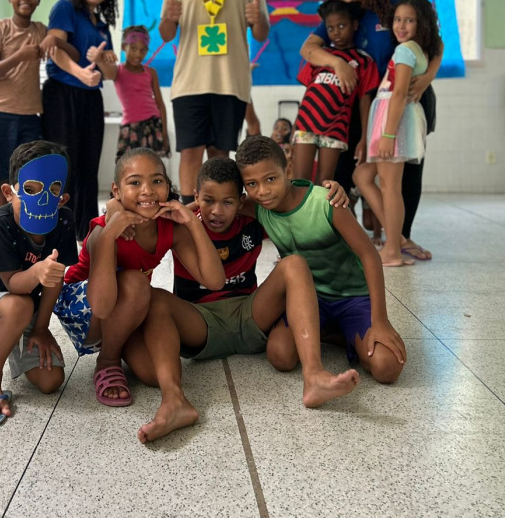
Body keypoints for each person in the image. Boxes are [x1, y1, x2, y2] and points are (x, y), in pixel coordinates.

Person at [124, 157, 360, 443]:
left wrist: (330, 193)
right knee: (157, 300)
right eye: (208, 201)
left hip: (251, 315)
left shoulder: (253, 218)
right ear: (196, 197)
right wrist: (116, 209)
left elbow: (292, 200)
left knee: (294, 264)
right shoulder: (180, 224)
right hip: (200, 321)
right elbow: (128, 208)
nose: (217, 211)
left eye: (228, 202)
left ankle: (315, 376)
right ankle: (174, 402)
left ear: (241, 201)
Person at [54, 148, 224, 407]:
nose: (147, 190)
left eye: (157, 181)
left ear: (168, 187)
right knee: (136, 282)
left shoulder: (170, 227)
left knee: (153, 374)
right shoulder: (103, 230)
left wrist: (192, 221)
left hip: (125, 307)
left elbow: (214, 281)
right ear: (116, 191)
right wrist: (111, 232)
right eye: (135, 182)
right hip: (84, 311)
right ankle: (108, 361)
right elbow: (100, 304)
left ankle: (121, 342)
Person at [300, 0, 443, 261]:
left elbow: (435, 38)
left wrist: (428, 76)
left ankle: (399, 239)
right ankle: (394, 238)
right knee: (355, 171)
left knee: (406, 176)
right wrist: (337, 62)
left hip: (407, 97)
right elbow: (308, 49)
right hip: (367, 103)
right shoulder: (346, 13)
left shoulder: (395, 4)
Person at [235, 135, 406, 386]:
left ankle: (348, 330)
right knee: (279, 355)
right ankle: (335, 333)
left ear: (288, 170)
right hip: (310, 301)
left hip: (354, 297)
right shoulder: (259, 206)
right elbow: (218, 201)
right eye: (251, 184)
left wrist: (380, 320)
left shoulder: (327, 201)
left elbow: (369, 255)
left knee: (387, 368)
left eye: (270, 178)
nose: (262, 191)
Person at [0, 140, 78, 426]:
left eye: (53, 190)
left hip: (23, 310)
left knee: (50, 381)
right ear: (10, 193)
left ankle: (12, 339)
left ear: (63, 198)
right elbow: (15, 286)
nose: (43, 199)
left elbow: (54, 281)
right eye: (31, 190)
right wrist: (38, 273)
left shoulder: (64, 221)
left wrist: (41, 329)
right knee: (18, 305)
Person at [158, 0, 269, 204]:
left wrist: (257, 18)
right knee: (191, 151)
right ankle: (187, 218)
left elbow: (261, 34)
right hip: (189, 82)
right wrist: (169, 17)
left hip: (230, 82)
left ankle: (217, 221)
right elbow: (167, 34)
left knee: (220, 154)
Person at [353, 0, 443, 267]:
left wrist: (388, 135)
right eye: (397, 19)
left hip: (393, 123)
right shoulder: (417, 48)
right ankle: (398, 239)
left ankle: (392, 251)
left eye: (409, 20)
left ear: (422, 23)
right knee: (362, 175)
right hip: (394, 120)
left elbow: (400, 92)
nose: (401, 25)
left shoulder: (406, 50)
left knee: (391, 188)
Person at [42, 0, 119, 241]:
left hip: (90, 100)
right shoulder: (65, 8)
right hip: (62, 95)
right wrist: (80, 73)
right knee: (65, 164)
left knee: (89, 165)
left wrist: (100, 61)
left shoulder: (101, 26)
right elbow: (54, 47)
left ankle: (85, 231)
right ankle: (57, 231)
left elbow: (110, 73)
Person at [0, 0, 53, 211]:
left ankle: (22, 235)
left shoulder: (41, 30)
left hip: (30, 116)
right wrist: (20, 56)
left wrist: (54, 38)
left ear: (38, 1)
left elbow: (60, 44)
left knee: (28, 179)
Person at [292, 0, 379, 183]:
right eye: (330, 28)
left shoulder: (363, 61)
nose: (336, 32)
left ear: (354, 25)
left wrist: (364, 138)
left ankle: (320, 214)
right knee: (299, 181)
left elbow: (365, 101)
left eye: (342, 25)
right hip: (306, 125)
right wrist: (295, 125)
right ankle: (300, 214)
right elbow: (309, 94)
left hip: (335, 128)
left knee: (325, 182)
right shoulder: (319, 56)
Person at [113, 25, 170, 158]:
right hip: (130, 128)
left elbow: (160, 104)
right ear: (123, 47)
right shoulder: (118, 71)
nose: (138, 54)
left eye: (143, 50)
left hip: (153, 126)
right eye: (133, 48)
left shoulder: (151, 72)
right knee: (128, 169)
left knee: (151, 169)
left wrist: (164, 133)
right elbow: (105, 71)